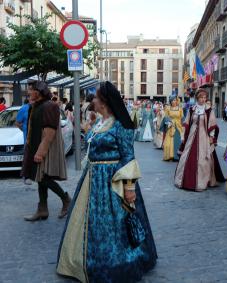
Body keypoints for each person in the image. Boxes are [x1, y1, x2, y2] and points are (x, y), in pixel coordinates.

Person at [57, 81, 157, 283]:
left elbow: (128, 157)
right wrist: (89, 127)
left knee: (115, 225)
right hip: (92, 179)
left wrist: (129, 188)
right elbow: (92, 146)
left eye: (95, 97)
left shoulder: (121, 125)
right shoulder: (100, 122)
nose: (92, 100)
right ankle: (81, 261)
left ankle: (117, 264)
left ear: (104, 102)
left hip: (112, 182)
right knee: (91, 224)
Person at [22, 81, 70, 221]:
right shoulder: (36, 106)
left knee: (43, 177)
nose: (28, 92)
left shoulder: (50, 106)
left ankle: (65, 199)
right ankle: (42, 209)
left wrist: (40, 152)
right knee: (40, 178)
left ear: (38, 92)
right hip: (36, 147)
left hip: (45, 149)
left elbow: (49, 132)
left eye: (30, 90)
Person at [175, 89, 225, 192]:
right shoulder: (192, 109)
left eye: (204, 97)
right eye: (201, 97)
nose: (203, 99)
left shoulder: (209, 110)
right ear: (197, 98)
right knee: (187, 156)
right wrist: (184, 135)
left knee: (203, 158)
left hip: (203, 136)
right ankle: (184, 180)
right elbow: (187, 123)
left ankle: (202, 181)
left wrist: (211, 136)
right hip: (192, 136)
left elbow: (212, 124)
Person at [160, 95, 184, 161]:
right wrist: (169, 122)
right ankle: (169, 156)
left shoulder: (180, 109)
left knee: (178, 141)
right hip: (171, 127)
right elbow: (166, 118)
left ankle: (177, 156)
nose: (174, 101)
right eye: (173, 100)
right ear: (170, 101)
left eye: (175, 100)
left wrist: (183, 126)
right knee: (168, 142)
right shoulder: (168, 108)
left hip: (178, 127)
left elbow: (182, 118)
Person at [16, 96, 32, 185]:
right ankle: (27, 176)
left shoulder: (39, 108)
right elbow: (18, 123)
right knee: (28, 157)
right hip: (28, 138)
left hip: (38, 137)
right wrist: (25, 130)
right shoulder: (24, 108)